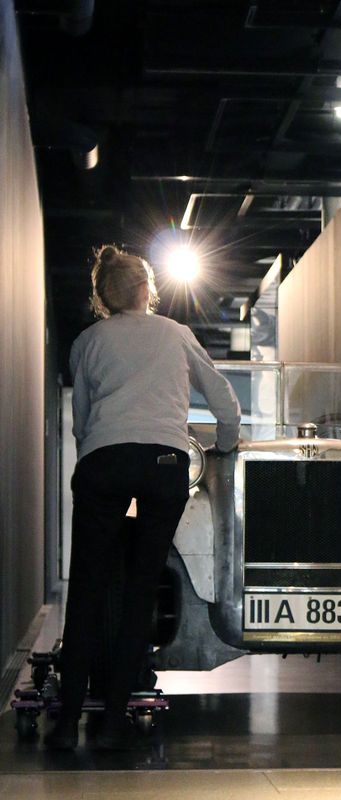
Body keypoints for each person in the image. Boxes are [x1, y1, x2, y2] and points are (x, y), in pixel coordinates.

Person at [45, 245, 241, 750]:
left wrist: (99, 456)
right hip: (164, 464)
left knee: (86, 589)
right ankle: (113, 720)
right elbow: (222, 398)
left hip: (104, 462)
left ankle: (66, 723)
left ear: (105, 296)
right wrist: (224, 444)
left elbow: (83, 421)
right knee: (140, 591)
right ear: (145, 289)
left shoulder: (87, 341)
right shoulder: (176, 334)